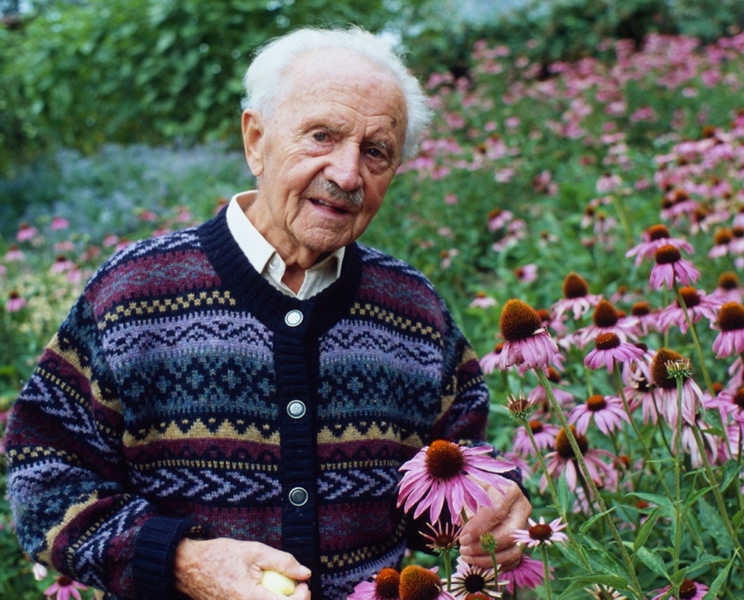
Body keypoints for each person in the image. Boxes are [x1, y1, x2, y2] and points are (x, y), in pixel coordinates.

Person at [5, 26, 531, 599]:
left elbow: (450, 492)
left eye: (376, 151)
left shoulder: (415, 311)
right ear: (256, 140)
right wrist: (180, 561)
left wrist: (492, 516)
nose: (348, 173)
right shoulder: (135, 292)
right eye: (321, 136)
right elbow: (44, 475)